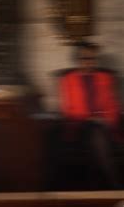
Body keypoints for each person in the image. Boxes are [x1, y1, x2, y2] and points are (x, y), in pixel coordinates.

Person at [51, 41, 121, 189]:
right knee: (94, 131)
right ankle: (113, 183)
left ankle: (97, 184)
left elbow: (113, 105)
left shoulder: (105, 77)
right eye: (85, 58)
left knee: (97, 132)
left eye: (93, 58)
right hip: (79, 125)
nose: (90, 62)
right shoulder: (67, 79)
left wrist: (105, 119)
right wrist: (89, 118)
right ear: (77, 60)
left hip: (104, 124)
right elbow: (67, 108)